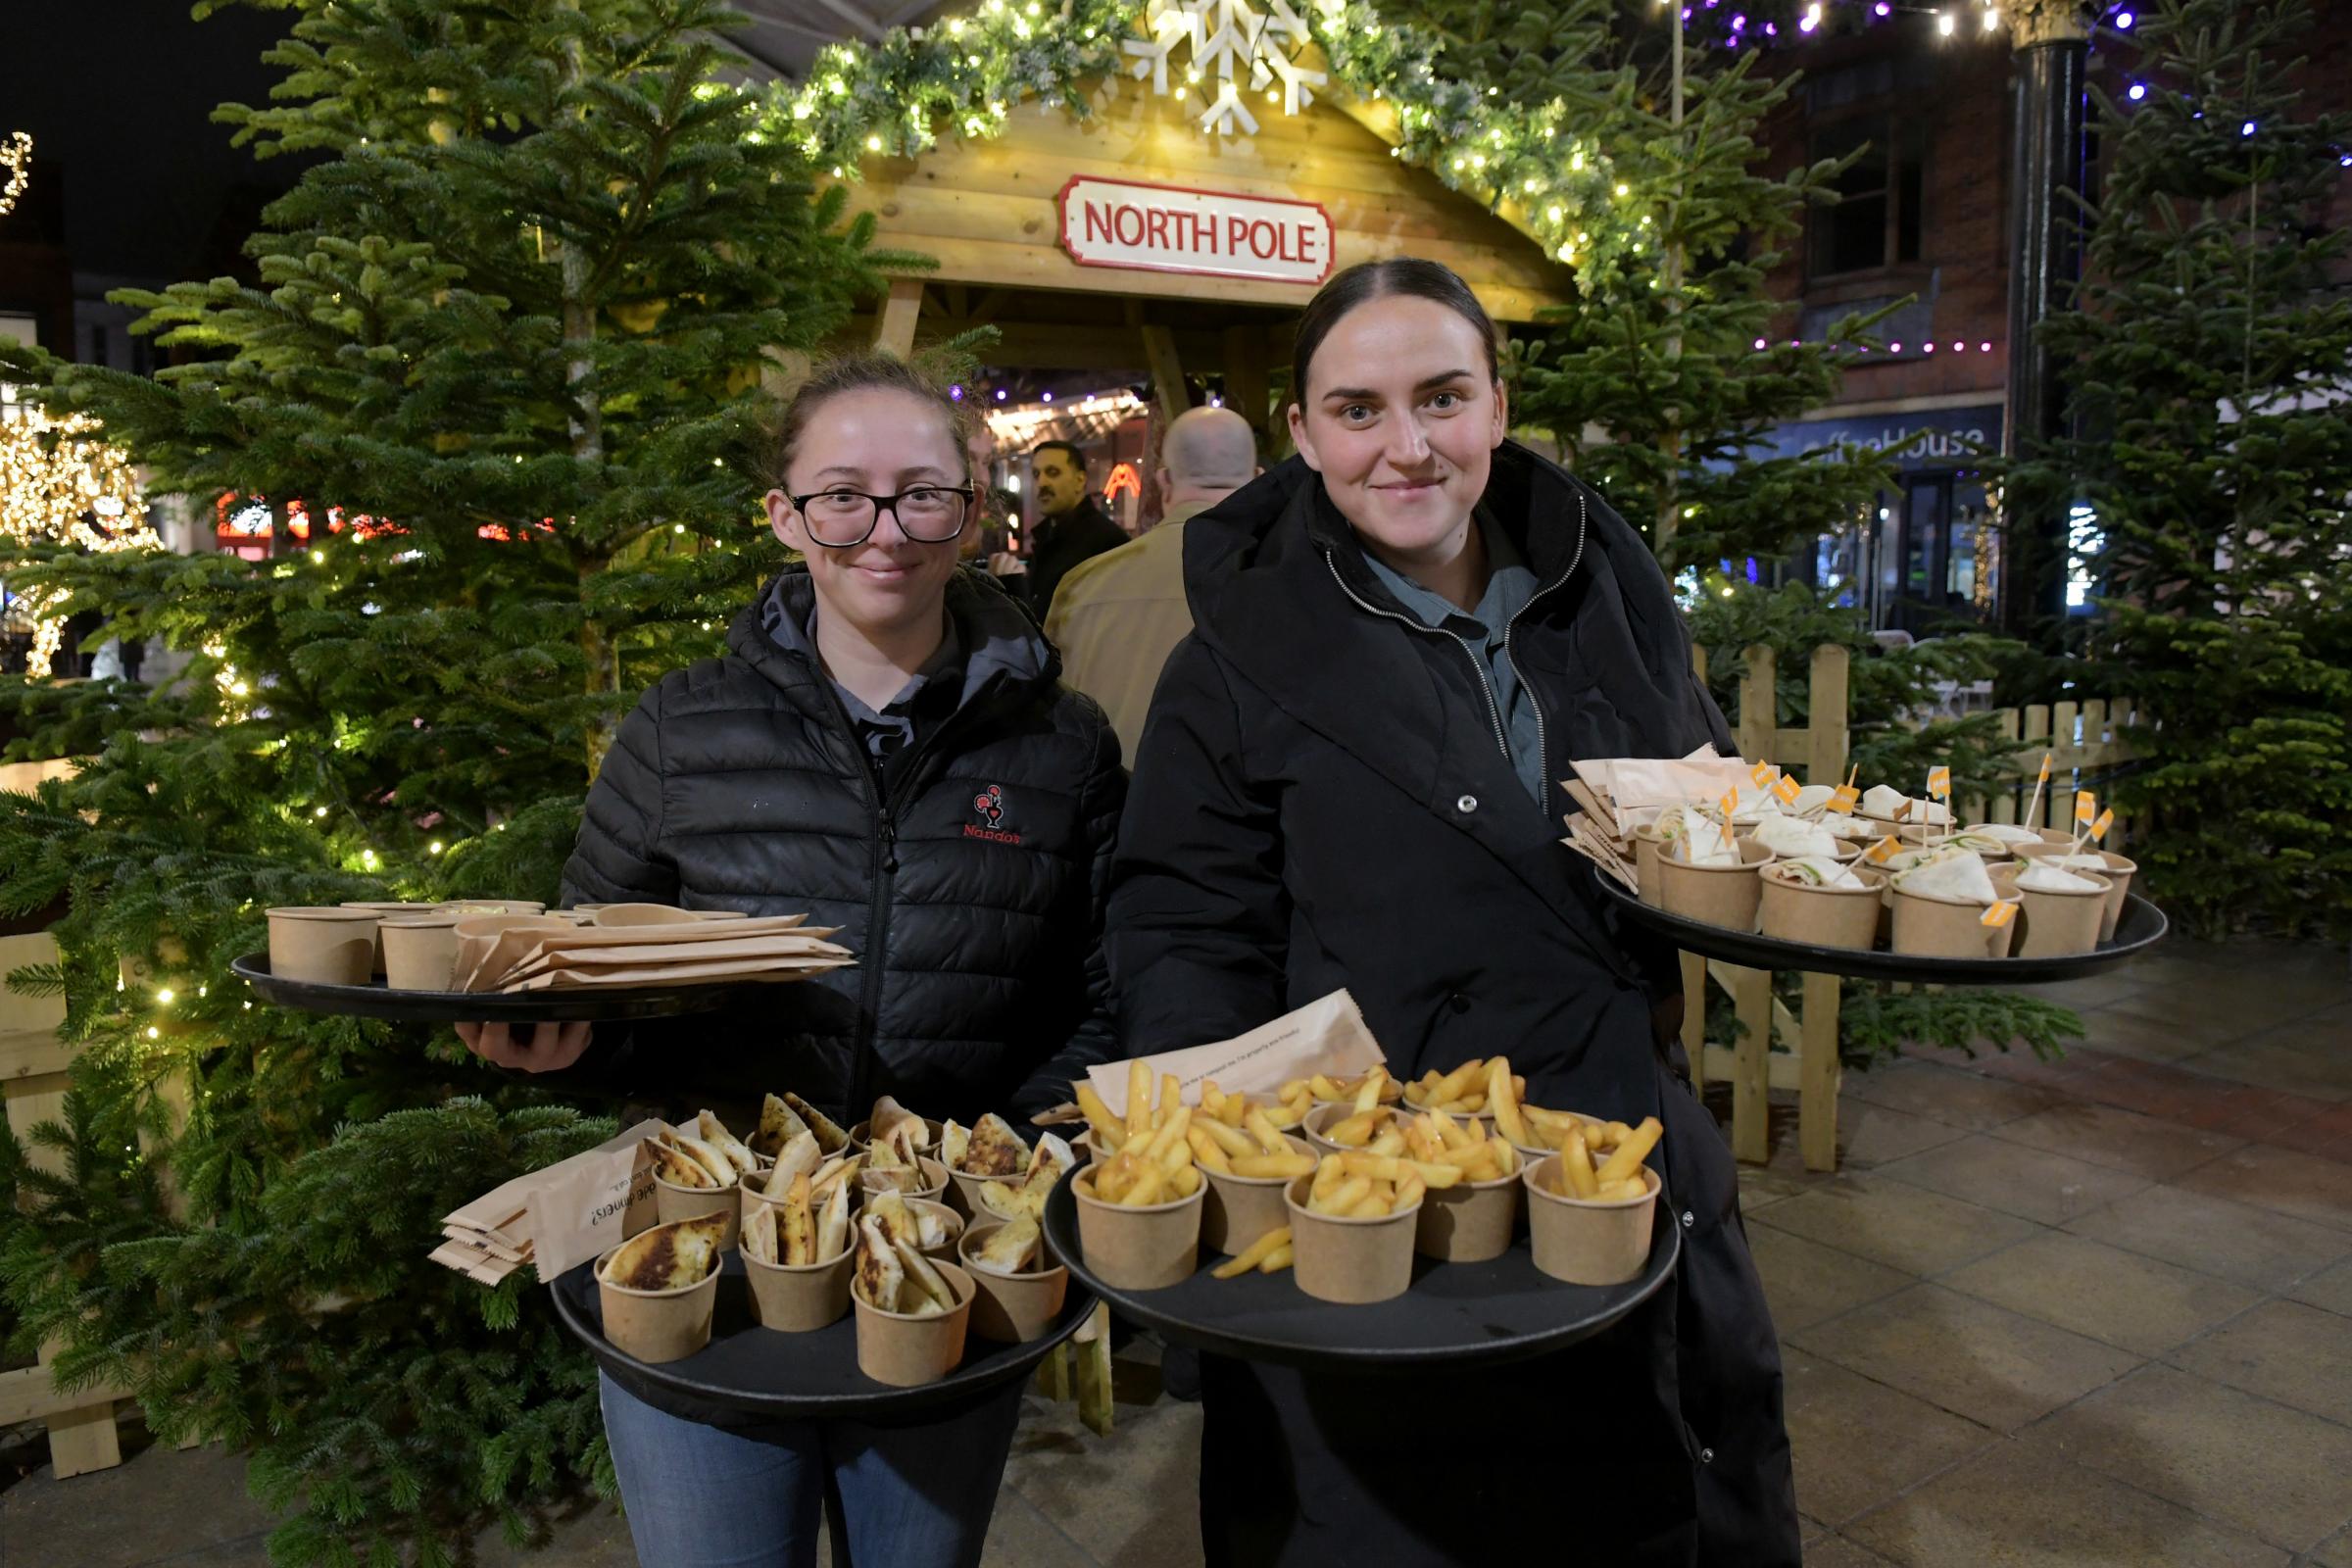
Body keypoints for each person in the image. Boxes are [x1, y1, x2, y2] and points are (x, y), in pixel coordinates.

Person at [1097, 259, 1799, 1565]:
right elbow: (1185, 925)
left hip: (1619, 1163)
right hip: (1386, 1209)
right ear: (1300, 434)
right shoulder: (1237, 657)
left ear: (1497, 403)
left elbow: (1691, 819)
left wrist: (1786, 874)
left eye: (1443, 398)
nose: (1407, 447)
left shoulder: (1607, 592)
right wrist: (1230, 1168)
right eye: (1358, 410)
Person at [457, 352, 1125, 1568]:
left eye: (923, 494)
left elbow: (1099, 990)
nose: (884, 530)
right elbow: (603, 960)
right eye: (842, 494)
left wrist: (1013, 1159)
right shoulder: (681, 728)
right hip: (707, 1270)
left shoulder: (1061, 744)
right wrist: (565, 1037)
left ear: (971, 514)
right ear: (783, 514)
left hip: (938, 1263)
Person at [1046, 404, 1260, 760]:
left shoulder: (1081, 585)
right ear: (1257, 478)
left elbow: (1048, 720)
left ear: (1163, 481)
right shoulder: (1295, 586)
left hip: (1108, 805)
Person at [1016, 439, 1126, 613]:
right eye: (1036, 474)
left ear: (1080, 480)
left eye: (1053, 472)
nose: (1042, 483)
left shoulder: (1107, 541)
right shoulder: (1045, 536)